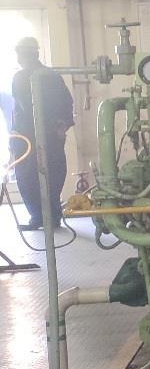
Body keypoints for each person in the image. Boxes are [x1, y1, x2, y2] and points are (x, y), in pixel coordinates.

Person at [11, 37, 72, 230]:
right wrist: (61, 127)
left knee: (27, 176)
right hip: (50, 134)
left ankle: (39, 216)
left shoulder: (21, 77)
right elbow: (67, 103)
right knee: (53, 173)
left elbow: (22, 110)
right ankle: (52, 215)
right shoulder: (52, 76)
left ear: (22, 54)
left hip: (29, 136)